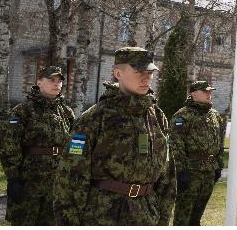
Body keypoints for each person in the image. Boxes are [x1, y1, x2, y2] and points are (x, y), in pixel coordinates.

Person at [53, 47, 176, 225]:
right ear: (118, 73)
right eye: (139, 71)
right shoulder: (95, 117)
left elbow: (168, 175)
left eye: (150, 72)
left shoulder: (157, 117)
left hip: (147, 215)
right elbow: (71, 177)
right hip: (103, 216)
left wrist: (163, 219)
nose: (146, 77)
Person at [0, 66, 75, 225]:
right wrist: (13, 178)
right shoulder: (23, 111)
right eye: (51, 80)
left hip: (58, 181)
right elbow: (8, 144)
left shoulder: (66, 112)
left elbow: (76, 144)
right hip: (30, 181)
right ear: (39, 82)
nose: (57, 84)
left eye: (59, 81)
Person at [170, 80, 227, 226]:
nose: (209, 94)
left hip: (209, 170)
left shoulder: (215, 115)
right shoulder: (183, 115)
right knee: (184, 215)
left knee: (197, 215)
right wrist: (181, 172)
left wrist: (218, 166)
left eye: (210, 91)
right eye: (205, 92)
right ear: (194, 94)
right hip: (191, 171)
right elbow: (176, 145)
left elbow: (220, 142)